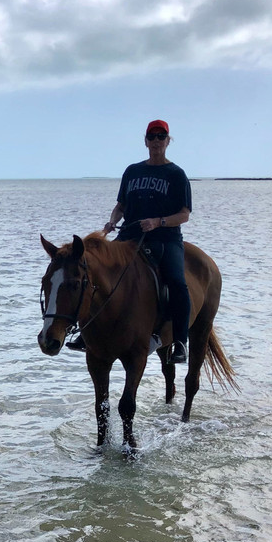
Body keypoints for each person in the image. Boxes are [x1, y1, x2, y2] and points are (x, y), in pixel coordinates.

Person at [72, 120, 192, 363]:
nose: (156, 141)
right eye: (152, 137)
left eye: (161, 136)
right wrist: (111, 221)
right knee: (98, 271)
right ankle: (87, 332)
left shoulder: (177, 175)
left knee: (177, 282)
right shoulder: (132, 171)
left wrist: (158, 222)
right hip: (129, 235)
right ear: (145, 141)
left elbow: (184, 214)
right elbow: (121, 206)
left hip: (165, 237)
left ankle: (180, 341)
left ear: (169, 141)